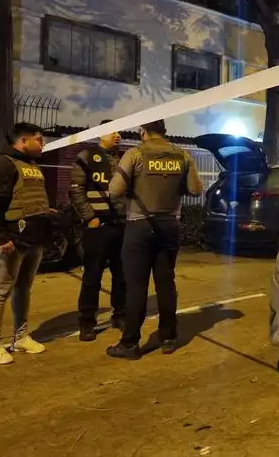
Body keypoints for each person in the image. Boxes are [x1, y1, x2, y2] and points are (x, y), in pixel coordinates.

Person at [105, 119, 203, 360]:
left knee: (136, 286)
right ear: (164, 131)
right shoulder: (183, 155)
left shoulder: (135, 154)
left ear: (143, 131)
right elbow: (196, 190)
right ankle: (168, 337)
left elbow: (114, 190)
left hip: (140, 225)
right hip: (170, 225)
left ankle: (130, 344)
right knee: (166, 283)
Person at [0, 123, 51, 365]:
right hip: (10, 240)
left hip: (32, 239)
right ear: (23, 141)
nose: (43, 144)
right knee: (0, 290)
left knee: (23, 289)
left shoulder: (29, 164)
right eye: (39, 140)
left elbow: (26, 198)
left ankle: (20, 337)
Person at [69, 122, 128, 341]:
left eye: (119, 131)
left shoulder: (124, 159)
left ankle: (120, 315)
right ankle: (87, 322)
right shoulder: (86, 157)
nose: (118, 135)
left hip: (121, 226)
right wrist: (90, 218)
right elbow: (76, 190)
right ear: (99, 134)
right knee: (92, 277)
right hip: (97, 228)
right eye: (114, 131)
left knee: (121, 275)